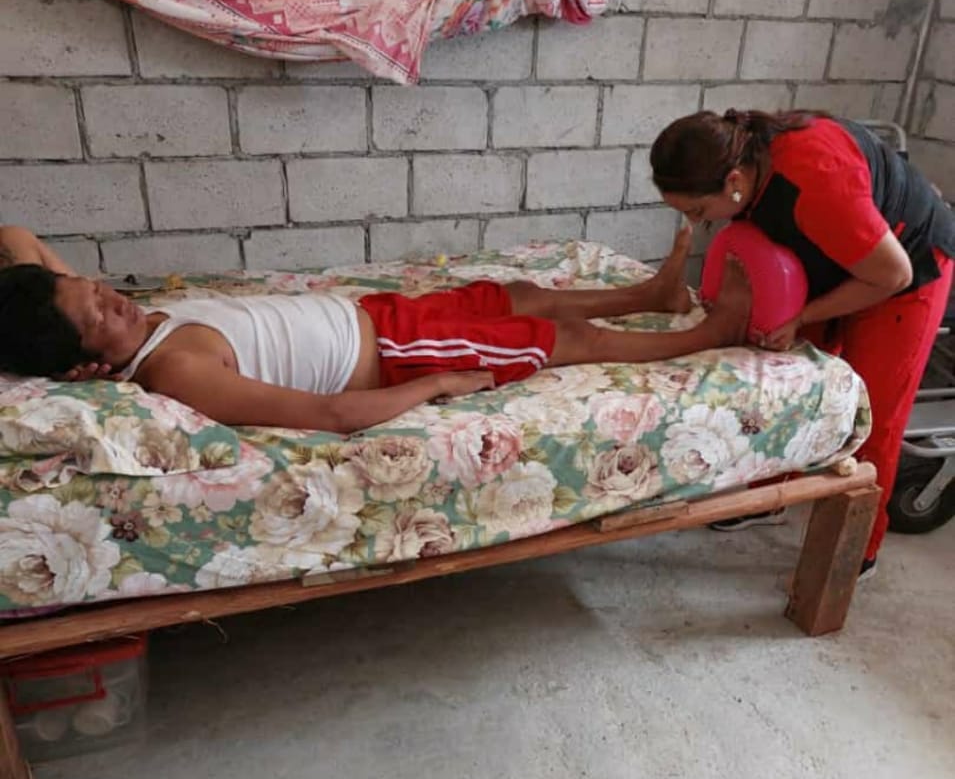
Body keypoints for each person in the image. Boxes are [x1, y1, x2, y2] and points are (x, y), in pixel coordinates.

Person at [0, 224, 751, 433]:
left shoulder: (114, 325)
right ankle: (699, 339)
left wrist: (56, 303)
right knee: (556, 342)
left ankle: (647, 293)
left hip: (376, 313)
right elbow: (332, 414)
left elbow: (16, 237)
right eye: (95, 314)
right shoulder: (175, 372)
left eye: (95, 288)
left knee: (515, 293)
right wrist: (439, 385)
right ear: (78, 365)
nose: (112, 299)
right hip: (397, 350)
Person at [650, 108, 955, 577]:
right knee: (787, 381)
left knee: (871, 411)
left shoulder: (815, 180)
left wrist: (803, 316)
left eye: (698, 211)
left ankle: (857, 548)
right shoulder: (748, 157)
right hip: (836, 255)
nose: (697, 222)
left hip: (905, 269)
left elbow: (892, 274)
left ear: (733, 182)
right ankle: (769, 495)